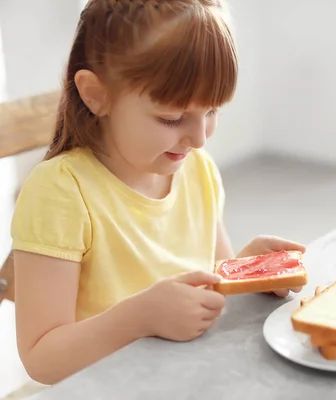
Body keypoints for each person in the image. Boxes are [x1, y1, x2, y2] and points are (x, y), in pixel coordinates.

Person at [9, 0, 305, 385]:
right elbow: (41, 358)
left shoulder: (197, 170)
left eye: (212, 111)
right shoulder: (61, 191)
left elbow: (206, 287)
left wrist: (245, 272)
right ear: (95, 94)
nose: (199, 138)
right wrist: (140, 317)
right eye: (172, 118)